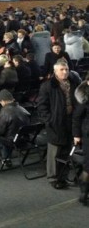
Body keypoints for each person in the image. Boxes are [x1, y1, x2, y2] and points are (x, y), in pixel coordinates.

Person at [37, 59, 81, 189]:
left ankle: (63, 176)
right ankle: (53, 177)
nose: (65, 72)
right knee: (54, 151)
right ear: (55, 71)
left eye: (66, 69)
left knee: (67, 150)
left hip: (70, 121)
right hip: (55, 123)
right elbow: (42, 106)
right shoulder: (48, 86)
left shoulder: (73, 83)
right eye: (62, 69)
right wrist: (50, 120)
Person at [0, 89, 31, 172]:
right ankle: (6, 159)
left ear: (3, 101)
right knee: (7, 135)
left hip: (12, 141)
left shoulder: (5, 111)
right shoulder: (22, 109)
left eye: (0, 102)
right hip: (24, 139)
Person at [73, 80, 89, 205]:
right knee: (88, 166)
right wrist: (76, 134)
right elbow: (77, 117)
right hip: (88, 134)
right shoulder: (83, 97)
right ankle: (84, 192)